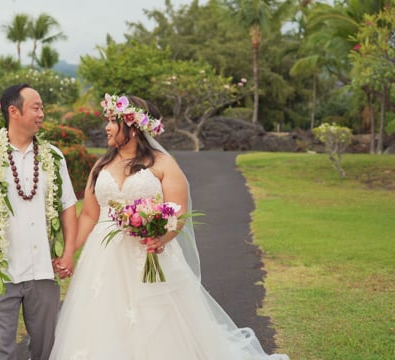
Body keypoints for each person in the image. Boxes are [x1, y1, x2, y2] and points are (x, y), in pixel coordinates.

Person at [50, 93, 289, 359]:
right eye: (107, 121)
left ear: (133, 125)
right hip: (102, 260)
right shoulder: (100, 165)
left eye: (112, 121)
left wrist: (161, 238)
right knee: (101, 322)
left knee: (155, 322)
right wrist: (70, 251)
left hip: (149, 254)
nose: (106, 127)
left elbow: (179, 212)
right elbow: (88, 216)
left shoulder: (163, 164)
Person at [0, 84, 78, 360]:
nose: (42, 113)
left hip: (44, 272)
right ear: (14, 111)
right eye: (36, 107)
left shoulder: (54, 157)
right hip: (4, 271)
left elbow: (68, 207)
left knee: (46, 349)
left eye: (42, 108)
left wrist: (69, 253)